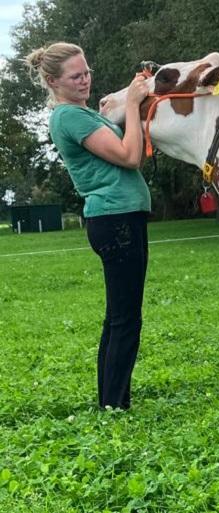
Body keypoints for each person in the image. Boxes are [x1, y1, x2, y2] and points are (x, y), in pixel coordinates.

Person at [25, 42, 151, 410]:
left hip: (118, 218)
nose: (85, 80)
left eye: (87, 72)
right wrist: (130, 101)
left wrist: (127, 108)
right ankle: (114, 405)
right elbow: (129, 156)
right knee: (126, 318)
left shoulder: (84, 114)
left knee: (118, 316)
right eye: (75, 76)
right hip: (115, 220)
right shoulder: (69, 118)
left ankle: (111, 399)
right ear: (52, 81)